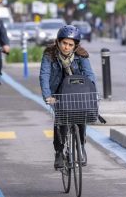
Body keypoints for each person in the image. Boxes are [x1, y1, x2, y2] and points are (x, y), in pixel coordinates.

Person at [39, 25, 95, 170]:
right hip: (58, 92)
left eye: (70, 45)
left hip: (77, 91)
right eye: (64, 43)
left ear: (75, 46)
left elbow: (89, 75)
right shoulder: (49, 55)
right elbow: (44, 76)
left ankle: (81, 145)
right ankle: (59, 152)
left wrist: (92, 94)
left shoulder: (81, 55)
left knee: (81, 115)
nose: (67, 47)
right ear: (58, 42)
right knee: (61, 121)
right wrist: (48, 96)